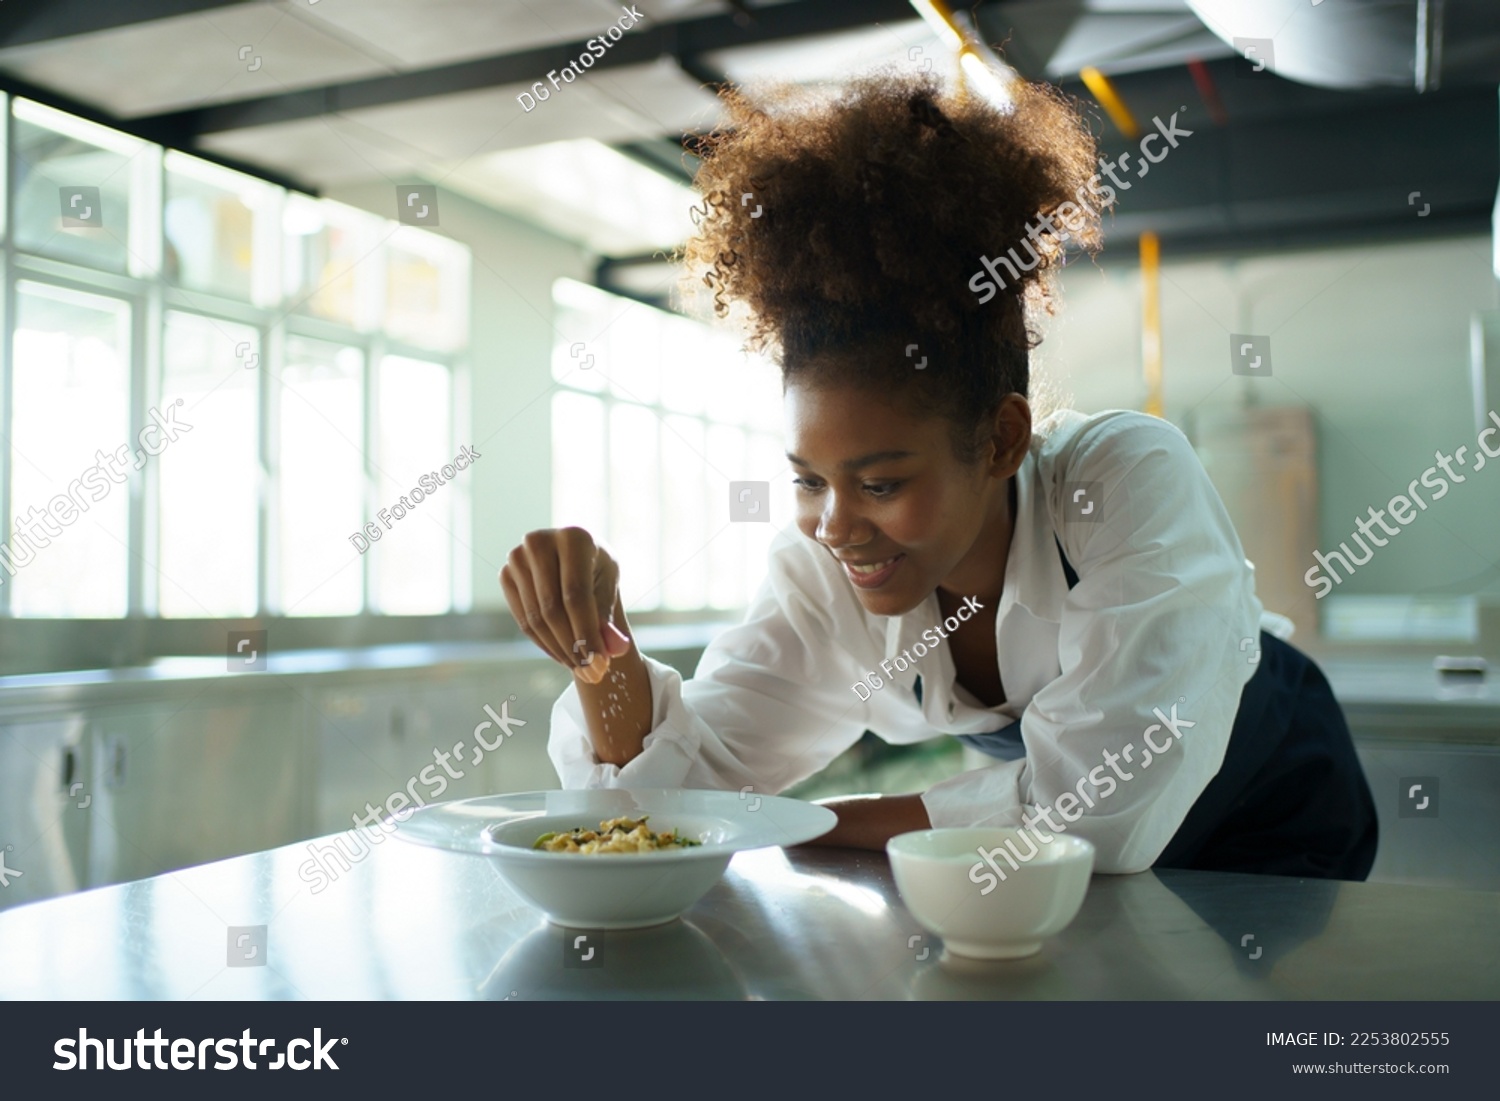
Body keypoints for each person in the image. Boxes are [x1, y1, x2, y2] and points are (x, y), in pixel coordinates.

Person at [499, 69, 1378, 880]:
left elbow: (1096, 820)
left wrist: (804, 821)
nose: (836, 524)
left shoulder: (1120, 481)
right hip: (1067, 870)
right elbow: (674, 803)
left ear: (1001, 439)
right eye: (810, 480)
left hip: (1276, 807)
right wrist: (597, 654)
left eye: (880, 482)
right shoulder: (824, 570)